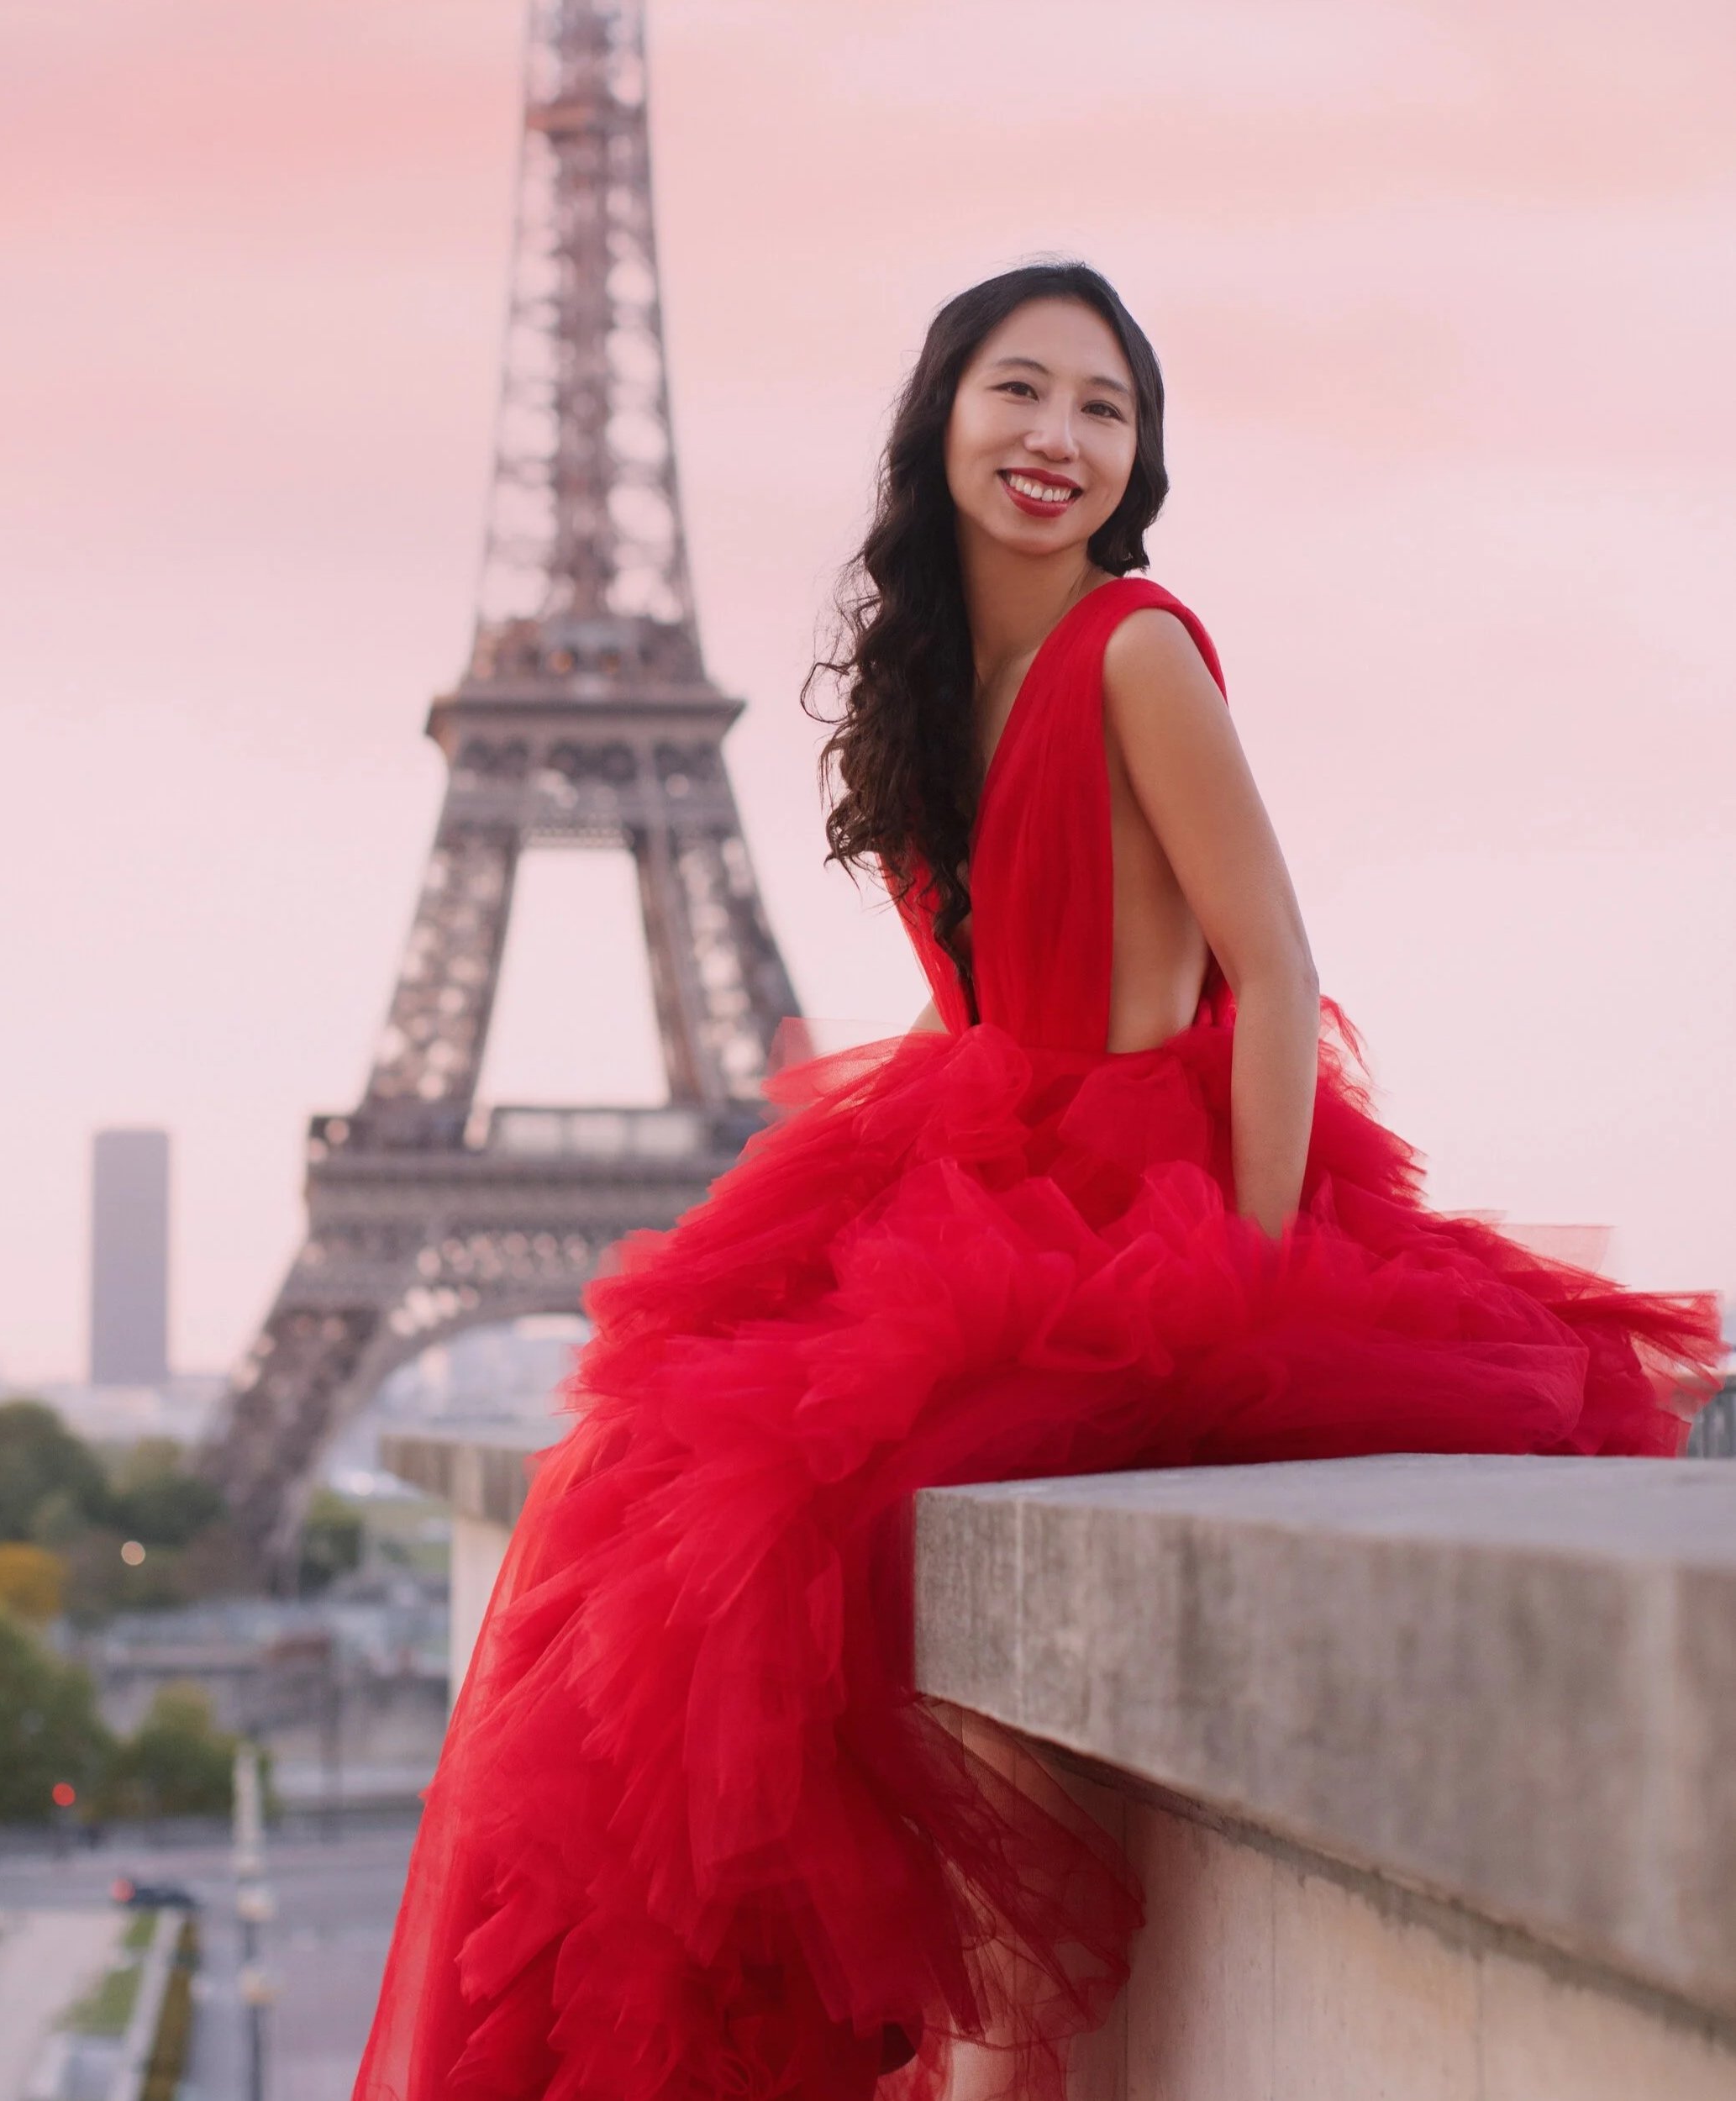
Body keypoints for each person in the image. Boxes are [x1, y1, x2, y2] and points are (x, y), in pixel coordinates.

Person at [352, 261, 1721, 2101]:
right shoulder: (935, 684)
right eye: (1022, 390)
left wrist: (1241, 1278)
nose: (1057, 438)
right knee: (656, 1515)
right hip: (968, 1165)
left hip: (1128, 1191)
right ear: (938, 419)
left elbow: (1274, 971)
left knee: (770, 1523)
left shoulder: (1134, 646)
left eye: (1104, 408)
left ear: (1136, 457)